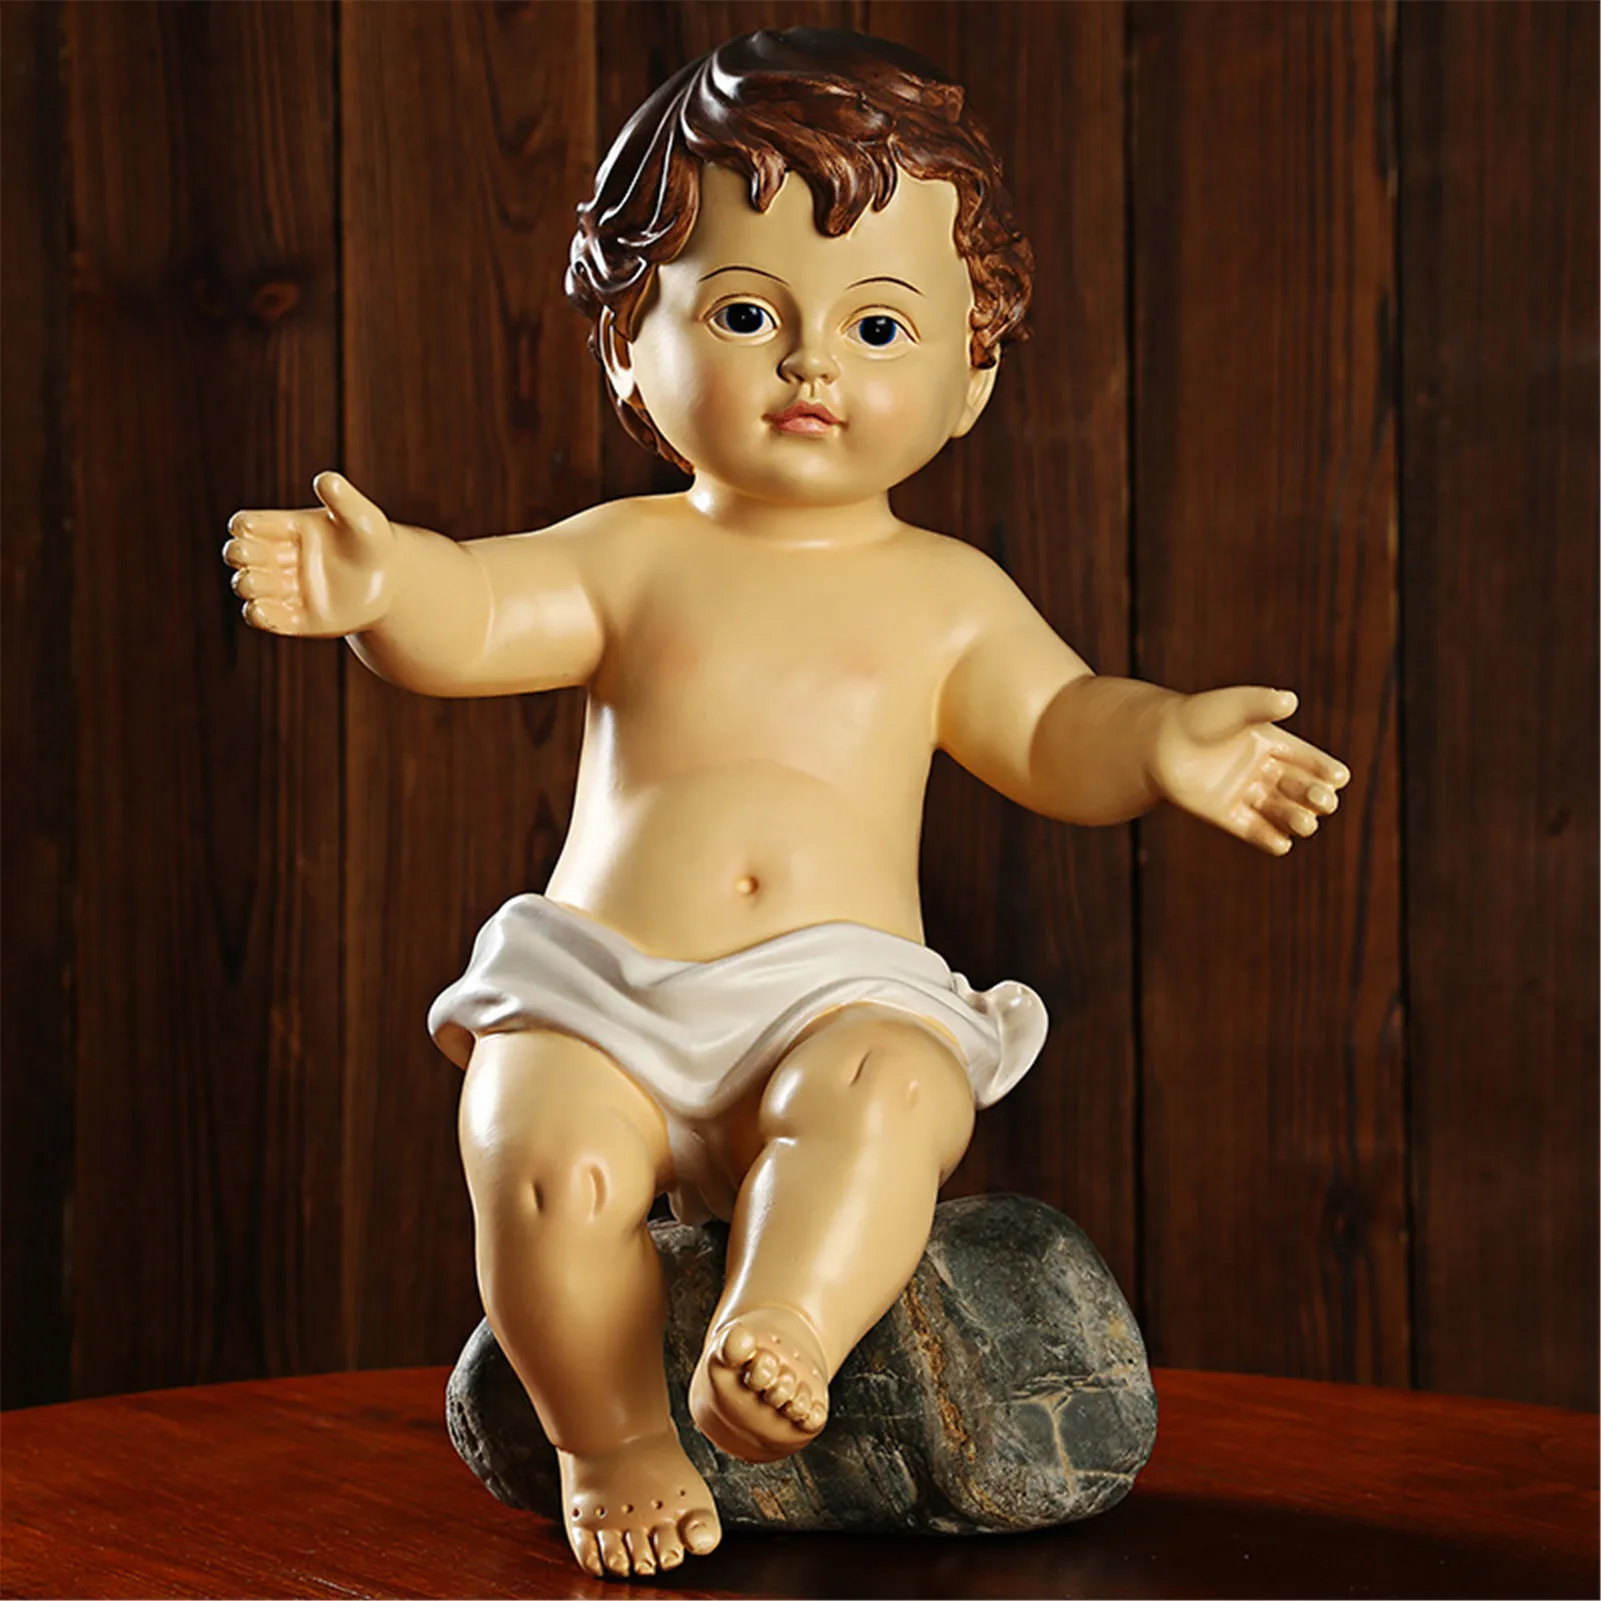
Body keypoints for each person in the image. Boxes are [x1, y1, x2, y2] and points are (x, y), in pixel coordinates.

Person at [223, 28, 1348, 1581]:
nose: (813, 364)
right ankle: (610, 1437)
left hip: (835, 990)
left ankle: (784, 1330)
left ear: (974, 375)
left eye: (880, 325)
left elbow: (1051, 728)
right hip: (608, 987)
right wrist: (385, 586)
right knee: (531, 1142)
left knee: (892, 1098)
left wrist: (1159, 739)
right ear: (628, 344)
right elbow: (478, 612)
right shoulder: (633, 554)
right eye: (747, 313)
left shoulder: (944, 593)